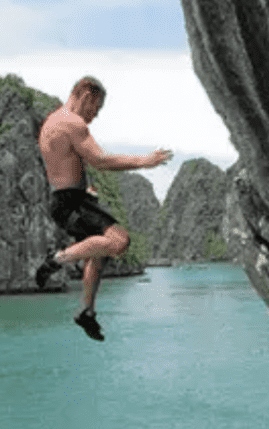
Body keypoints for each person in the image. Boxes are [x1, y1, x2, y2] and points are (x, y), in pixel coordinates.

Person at [36, 76, 172, 340]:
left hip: (67, 198)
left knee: (97, 250)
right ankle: (57, 259)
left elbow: (63, 165)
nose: (95, 116)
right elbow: (100, 160)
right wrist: (145, 161)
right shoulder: (71, 122)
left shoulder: (51, 122)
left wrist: (81, 187)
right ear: (86, 96)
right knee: (119, 241)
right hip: (71, 202)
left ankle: (86, 311)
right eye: (95, 108)